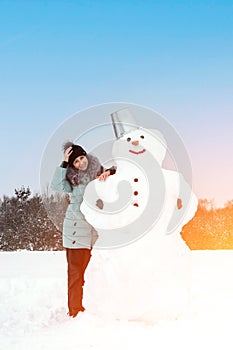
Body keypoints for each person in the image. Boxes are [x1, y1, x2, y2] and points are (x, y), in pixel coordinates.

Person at [50, 141, 116, 318]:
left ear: (85, 155)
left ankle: (91, 307)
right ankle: (75, 311)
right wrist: (64, 163)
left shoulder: (98, 170)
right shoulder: (71, 178)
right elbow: (56, 186)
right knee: (76, 273)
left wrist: (110, 172)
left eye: (81, 158)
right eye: (76, 162)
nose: (80, 163)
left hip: (93, 232)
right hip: (75, 229)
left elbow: (117, 175)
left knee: (93, 272)